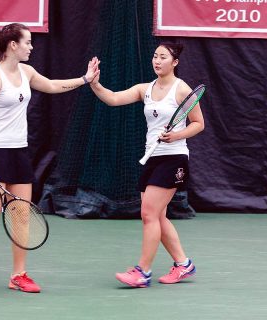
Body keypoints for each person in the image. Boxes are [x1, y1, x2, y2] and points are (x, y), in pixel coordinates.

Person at [0, 23, 99, 295]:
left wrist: (85, 79)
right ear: (13, 45)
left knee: (21, 216)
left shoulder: (27, 72)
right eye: (27, 42)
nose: (31, 46)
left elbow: (52, 86)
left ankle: (18, 274)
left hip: (19, 151)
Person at [88, 43, 204, 288]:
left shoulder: (182, 89)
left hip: (174, 158)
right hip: (152, 158)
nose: (157, 60)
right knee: (158, 217)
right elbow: (113, 99)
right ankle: (183, 264)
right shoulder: (146, 89)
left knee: (149, 214)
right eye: (155, 56)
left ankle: (143, 271)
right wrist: (95, 83)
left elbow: (198, 123)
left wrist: (176, 136)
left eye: (163, 57)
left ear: (175, 62)